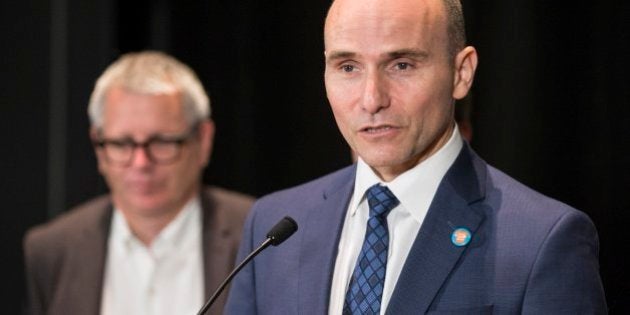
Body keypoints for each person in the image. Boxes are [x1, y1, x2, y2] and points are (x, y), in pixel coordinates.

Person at [225, 0, 607, 314]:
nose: (372, 99)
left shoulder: (542, 241)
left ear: (461, 72)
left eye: (402, 65)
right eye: (348, 67)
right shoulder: (273, 225)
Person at [24, 51, 253, 315]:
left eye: (162, 142)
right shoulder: (51, 250)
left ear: (203, 140)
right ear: (98, 147)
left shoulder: (259, 235)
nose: (141, 163)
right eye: (121, 144)